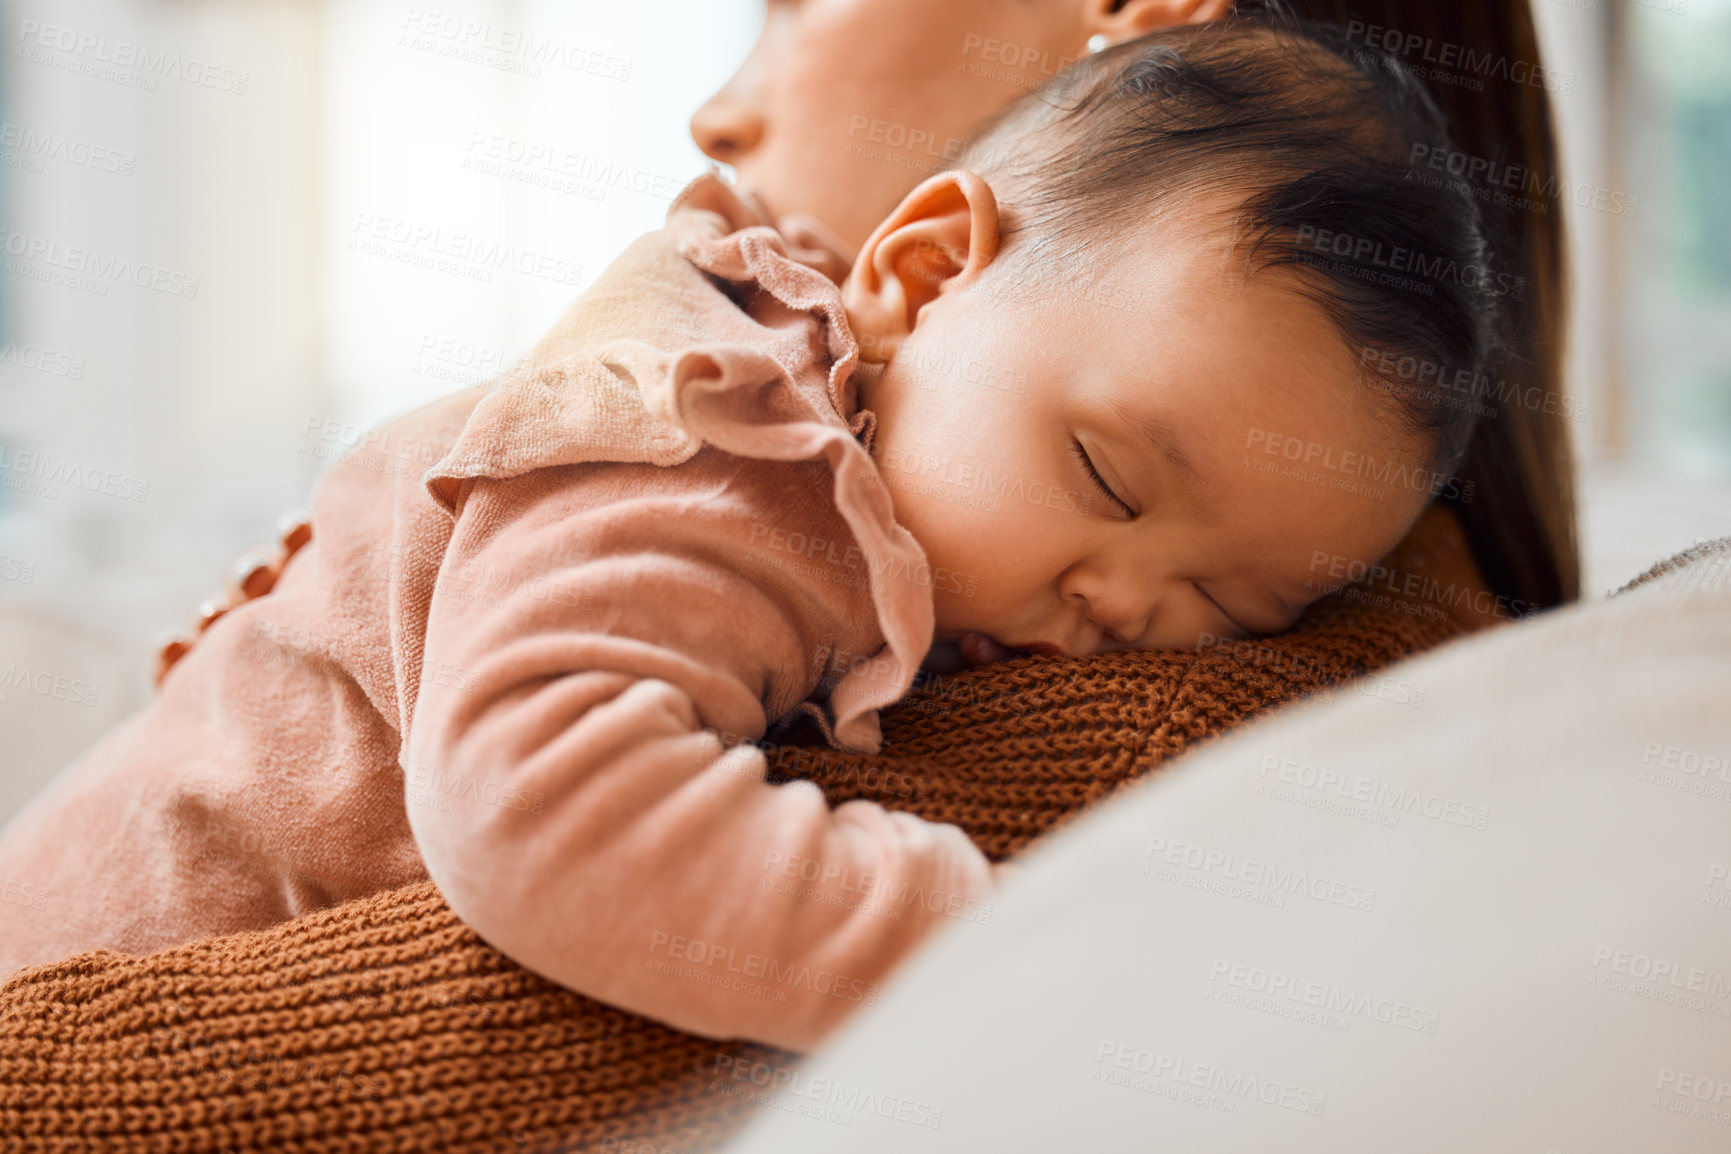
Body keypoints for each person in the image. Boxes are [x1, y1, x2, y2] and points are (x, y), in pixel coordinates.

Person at [0, 15, 1504, 1053]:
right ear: (917, 280)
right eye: (1105, 478)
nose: (1124, 605)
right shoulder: (721, 447)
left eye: (1230, 603)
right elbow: (543, 814)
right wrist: (1001, 938)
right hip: (88, 981)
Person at [690, 0, 1578, 619]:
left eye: (800, 1)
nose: (711, 120)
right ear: (930, 270)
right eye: (1103, 479)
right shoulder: (692, 439)